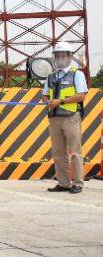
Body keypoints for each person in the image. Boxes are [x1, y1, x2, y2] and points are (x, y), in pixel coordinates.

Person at [42, 42, 88, 194]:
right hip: (54, 118)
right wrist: (47, 102)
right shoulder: (51, 76)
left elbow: (81, 95)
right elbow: (45, 95)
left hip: (71, 117)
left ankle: (78, 183)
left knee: (75, 151)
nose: (60, 58)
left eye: (63, 55)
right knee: (58, 152)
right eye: (57, 56)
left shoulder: (77, 74)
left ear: (69, 57)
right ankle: (63, 183)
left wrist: (60, 101)